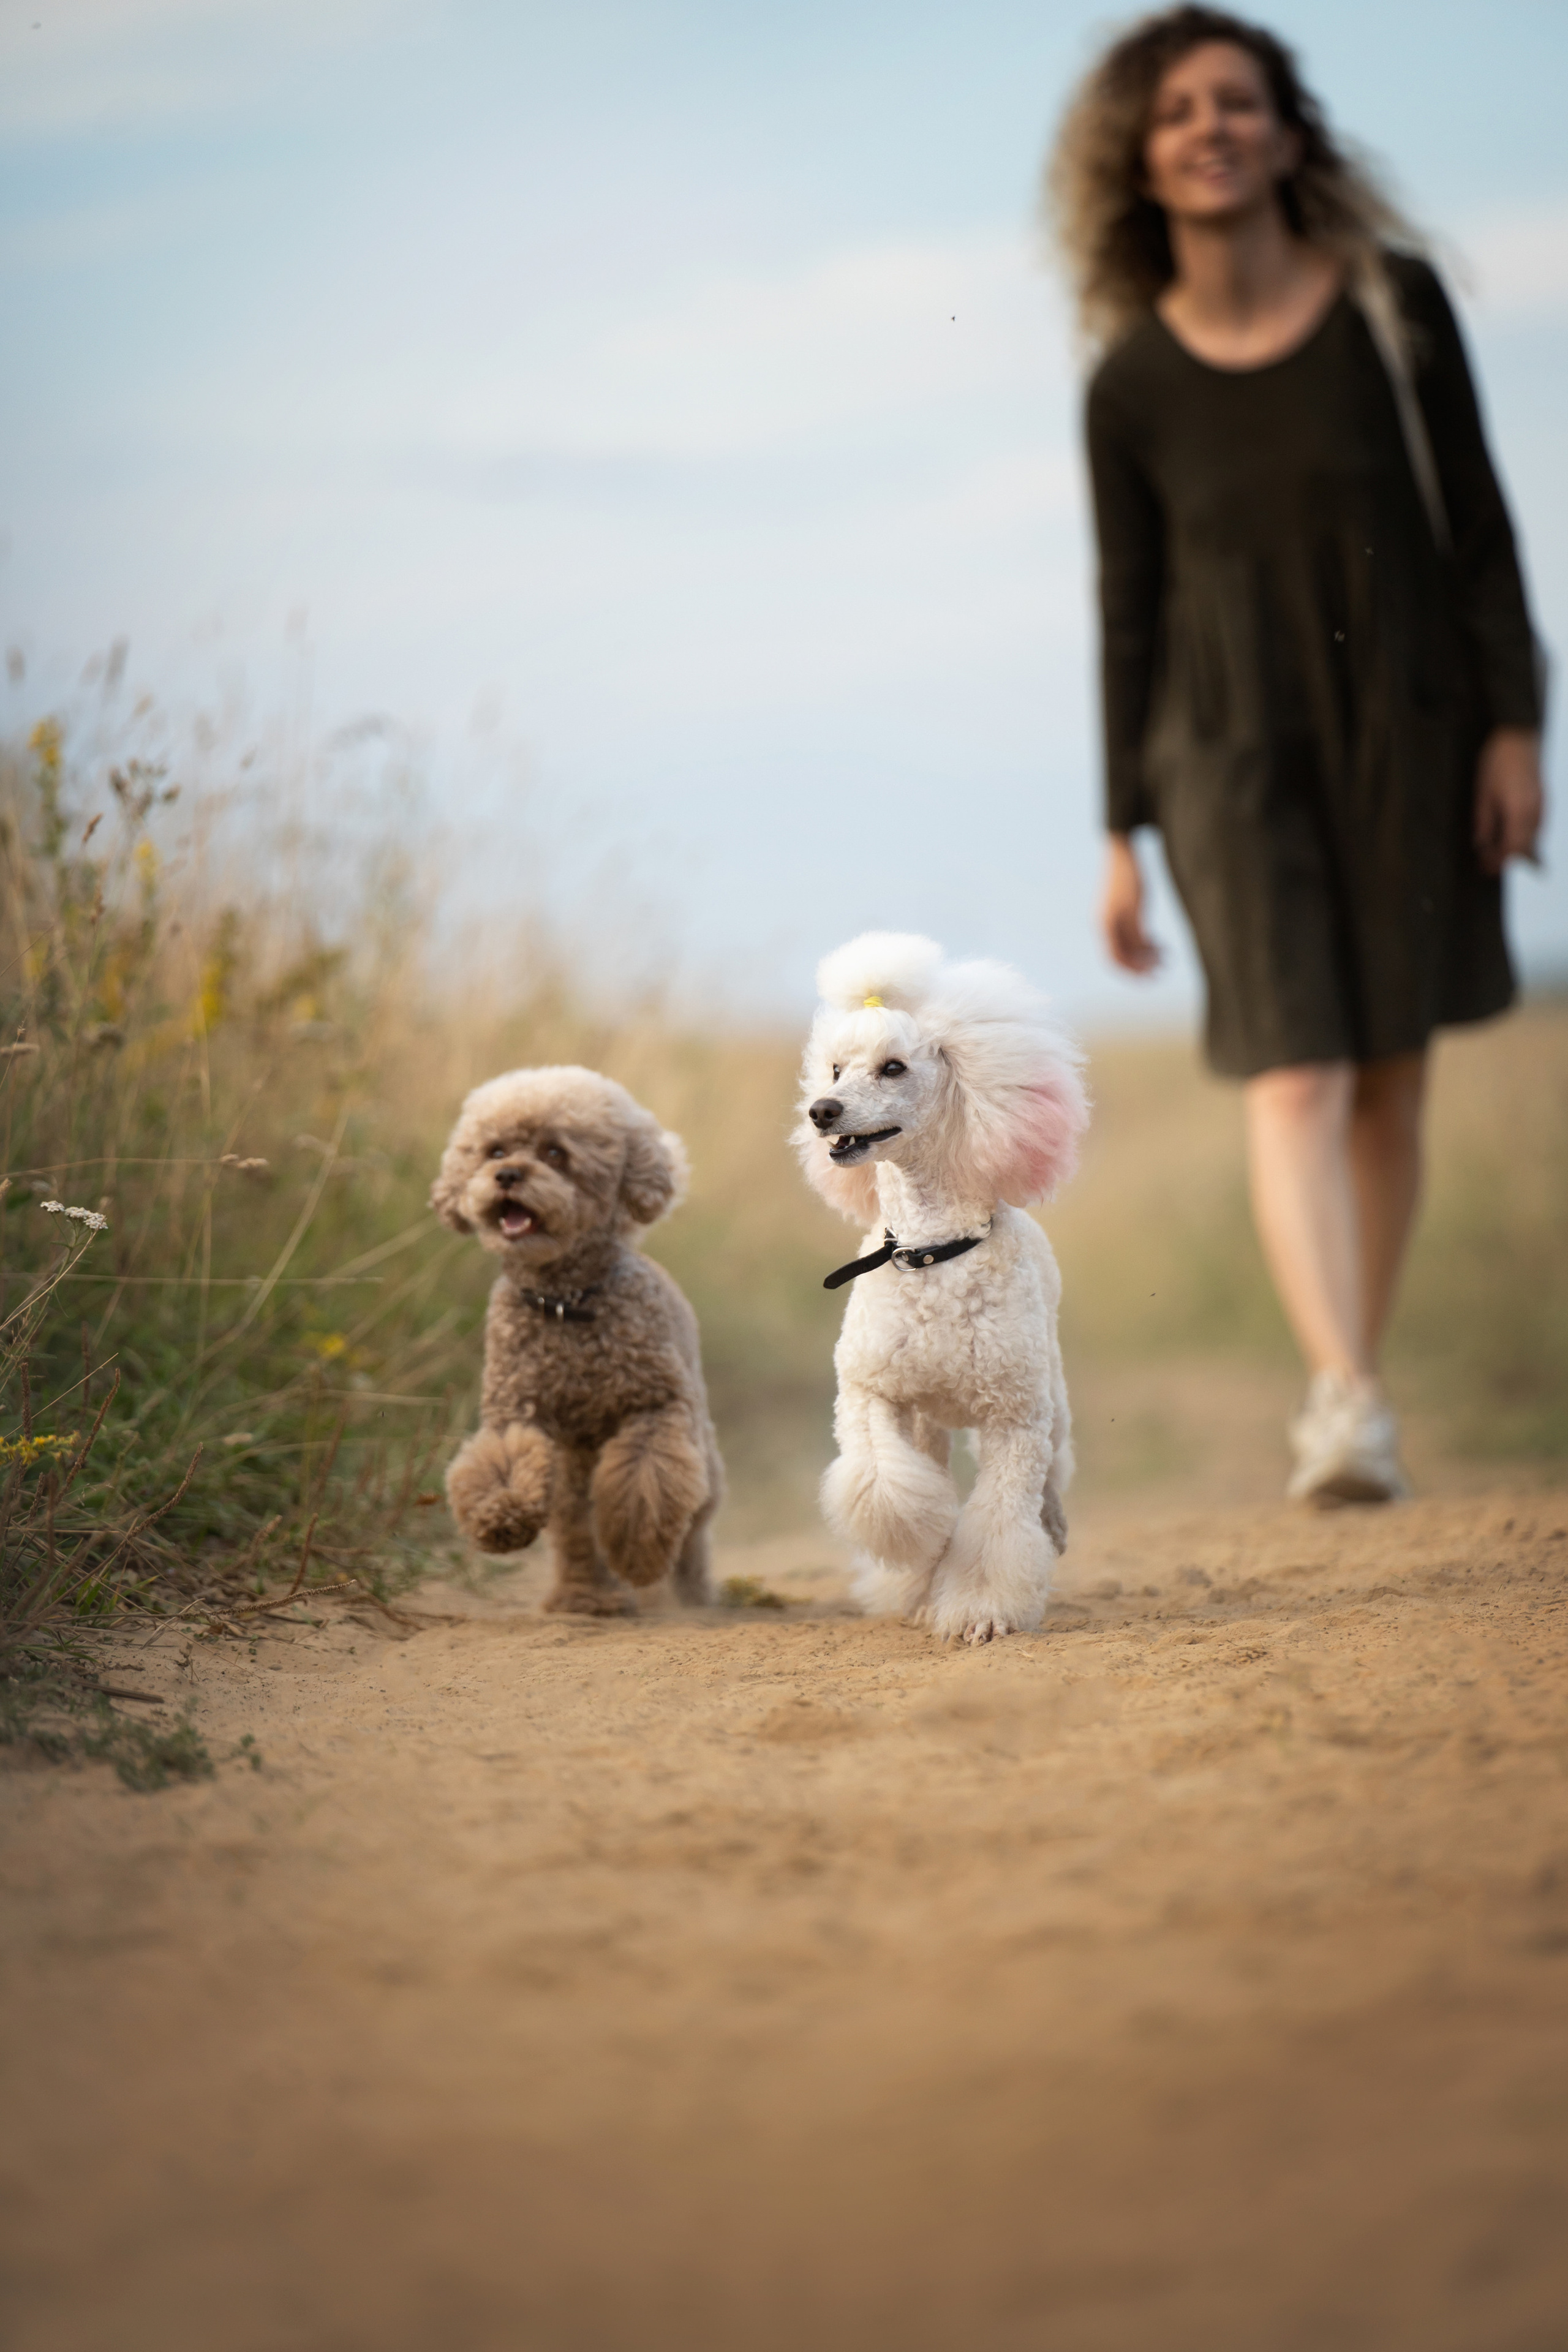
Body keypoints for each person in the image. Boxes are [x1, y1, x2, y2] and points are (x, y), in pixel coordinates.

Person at [1046, 5, 1547, 1503]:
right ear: (1137, 160)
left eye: (1238, 102)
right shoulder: (1125, 384)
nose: (1210, 126)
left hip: (1410, 729)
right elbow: (1124, 609)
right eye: (1178, 110)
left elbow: (1478, 525)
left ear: (1285, 133)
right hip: (1221, 755)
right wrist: (1119, 829)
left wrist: (1515, 721)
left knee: (1390, 1069)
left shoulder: (1391, 307)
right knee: (1293, 1073)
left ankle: (1358, 1377)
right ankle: (1339, 1399)